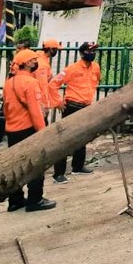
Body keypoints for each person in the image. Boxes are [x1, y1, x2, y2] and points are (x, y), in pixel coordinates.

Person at [3, 49, 56, 212]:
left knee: (15, 167)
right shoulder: (31, 83)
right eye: (33, 60)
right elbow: (36, 111)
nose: (35, 62)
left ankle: (15, 200)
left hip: (12, 130)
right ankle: (35, 199)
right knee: (36, 165)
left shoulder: (9, 82)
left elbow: (5, 108)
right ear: (26, 63)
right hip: (28, 129)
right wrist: (43, 132)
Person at [50, 42, 101, 183]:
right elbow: (53, 84)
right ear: (82, 53)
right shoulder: (72, 68)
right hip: (72, 107)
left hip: (86, 107)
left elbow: (96, 81)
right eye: (90, 51)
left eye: (94, 51)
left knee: (82, 138)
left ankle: (78, 167)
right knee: (65, 140)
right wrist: (57, 102)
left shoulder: (96, 67)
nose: (92, 53)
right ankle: (58, 173)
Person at [36, 39, 64, 123]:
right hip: (39, 101)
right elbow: (43, 85)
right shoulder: (42, 64)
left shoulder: (42, 59)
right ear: (51, 49)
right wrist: (44, 105)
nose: (57, 51)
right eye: (56, 49)